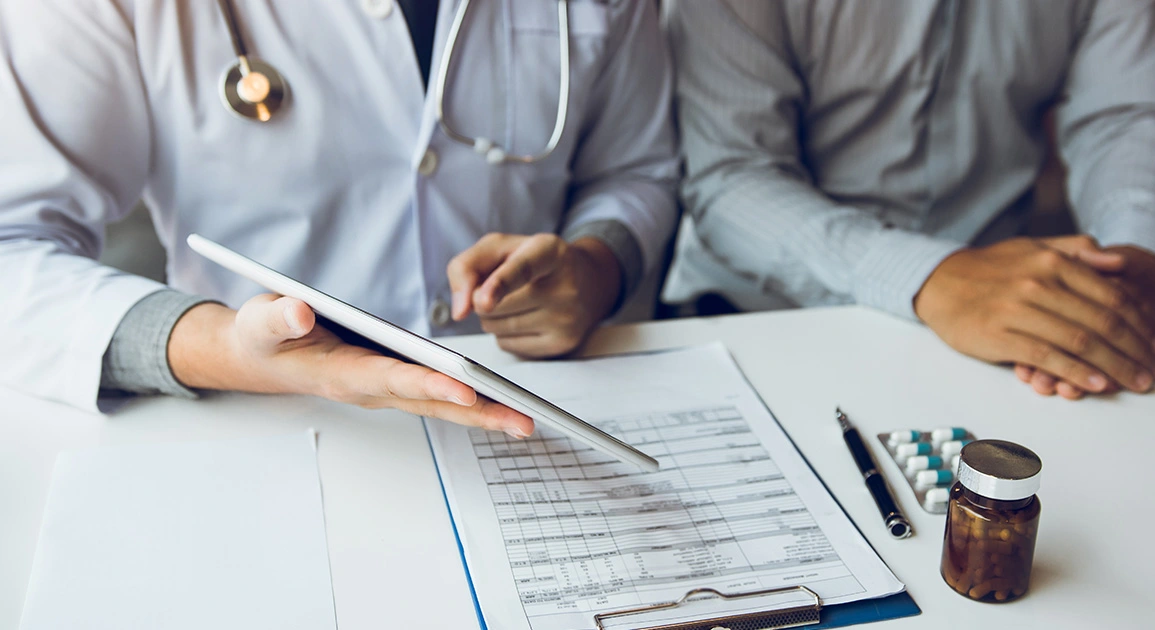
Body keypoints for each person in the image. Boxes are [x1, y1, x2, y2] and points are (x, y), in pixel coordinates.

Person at [0, 0, 678, 436]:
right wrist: (226, 350)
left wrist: (597, 263)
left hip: (531, 410)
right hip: (260, 425)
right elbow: (12, 250)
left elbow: (636, 170)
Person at [661, 0, 1155, 400]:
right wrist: (931, 276)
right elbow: (734, 176)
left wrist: (1140, 255)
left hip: (1004, 332)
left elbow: (1131, 115)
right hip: (762, 321)